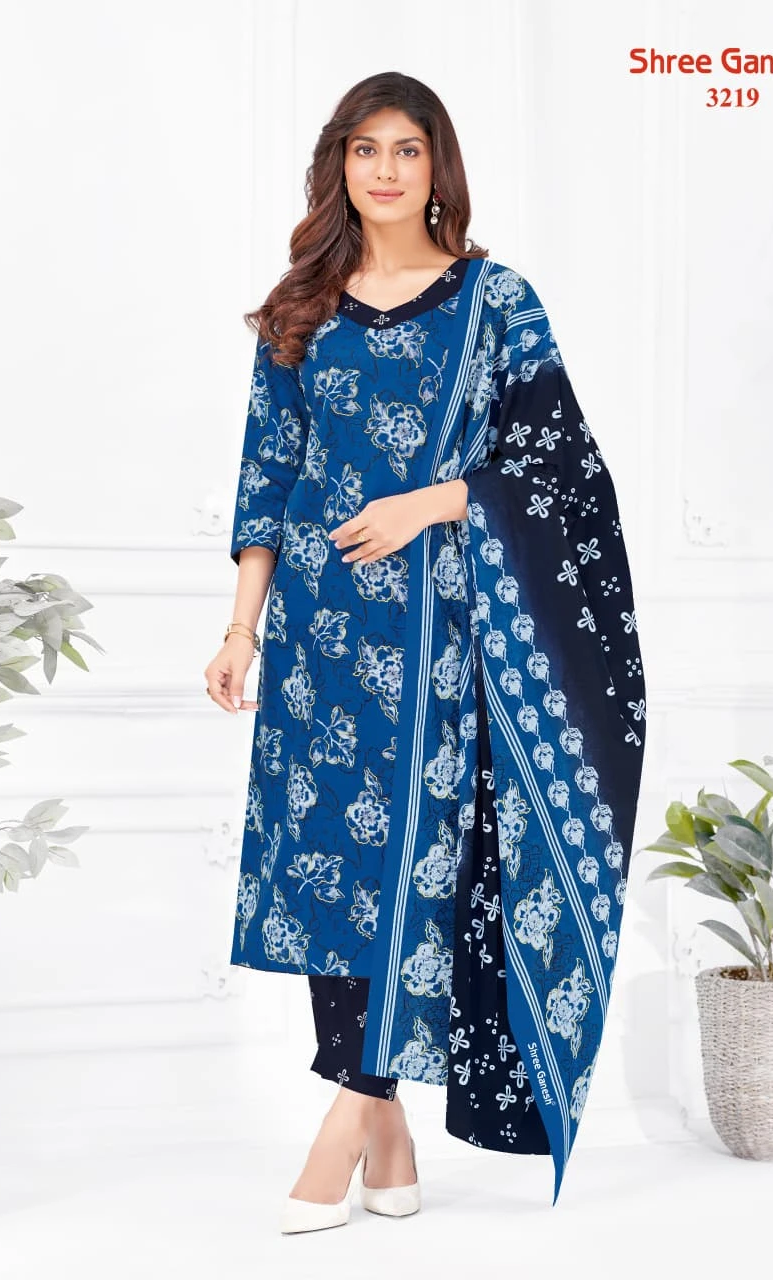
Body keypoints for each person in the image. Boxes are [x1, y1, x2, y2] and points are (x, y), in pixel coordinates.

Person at [205, 71, 647, 1233]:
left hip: (442, 632)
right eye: (366, 149)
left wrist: (435, 500)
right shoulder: (300, 308)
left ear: (437, 165)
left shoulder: (494, 301)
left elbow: (562, 468)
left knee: (414, 856)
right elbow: (266, 474)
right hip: (316, 634)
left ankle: (346, 1115)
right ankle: (387, 1129)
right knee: (330, 872)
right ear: (339, 166)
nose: (386, 170)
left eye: (407, 148)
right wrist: (241, 626)